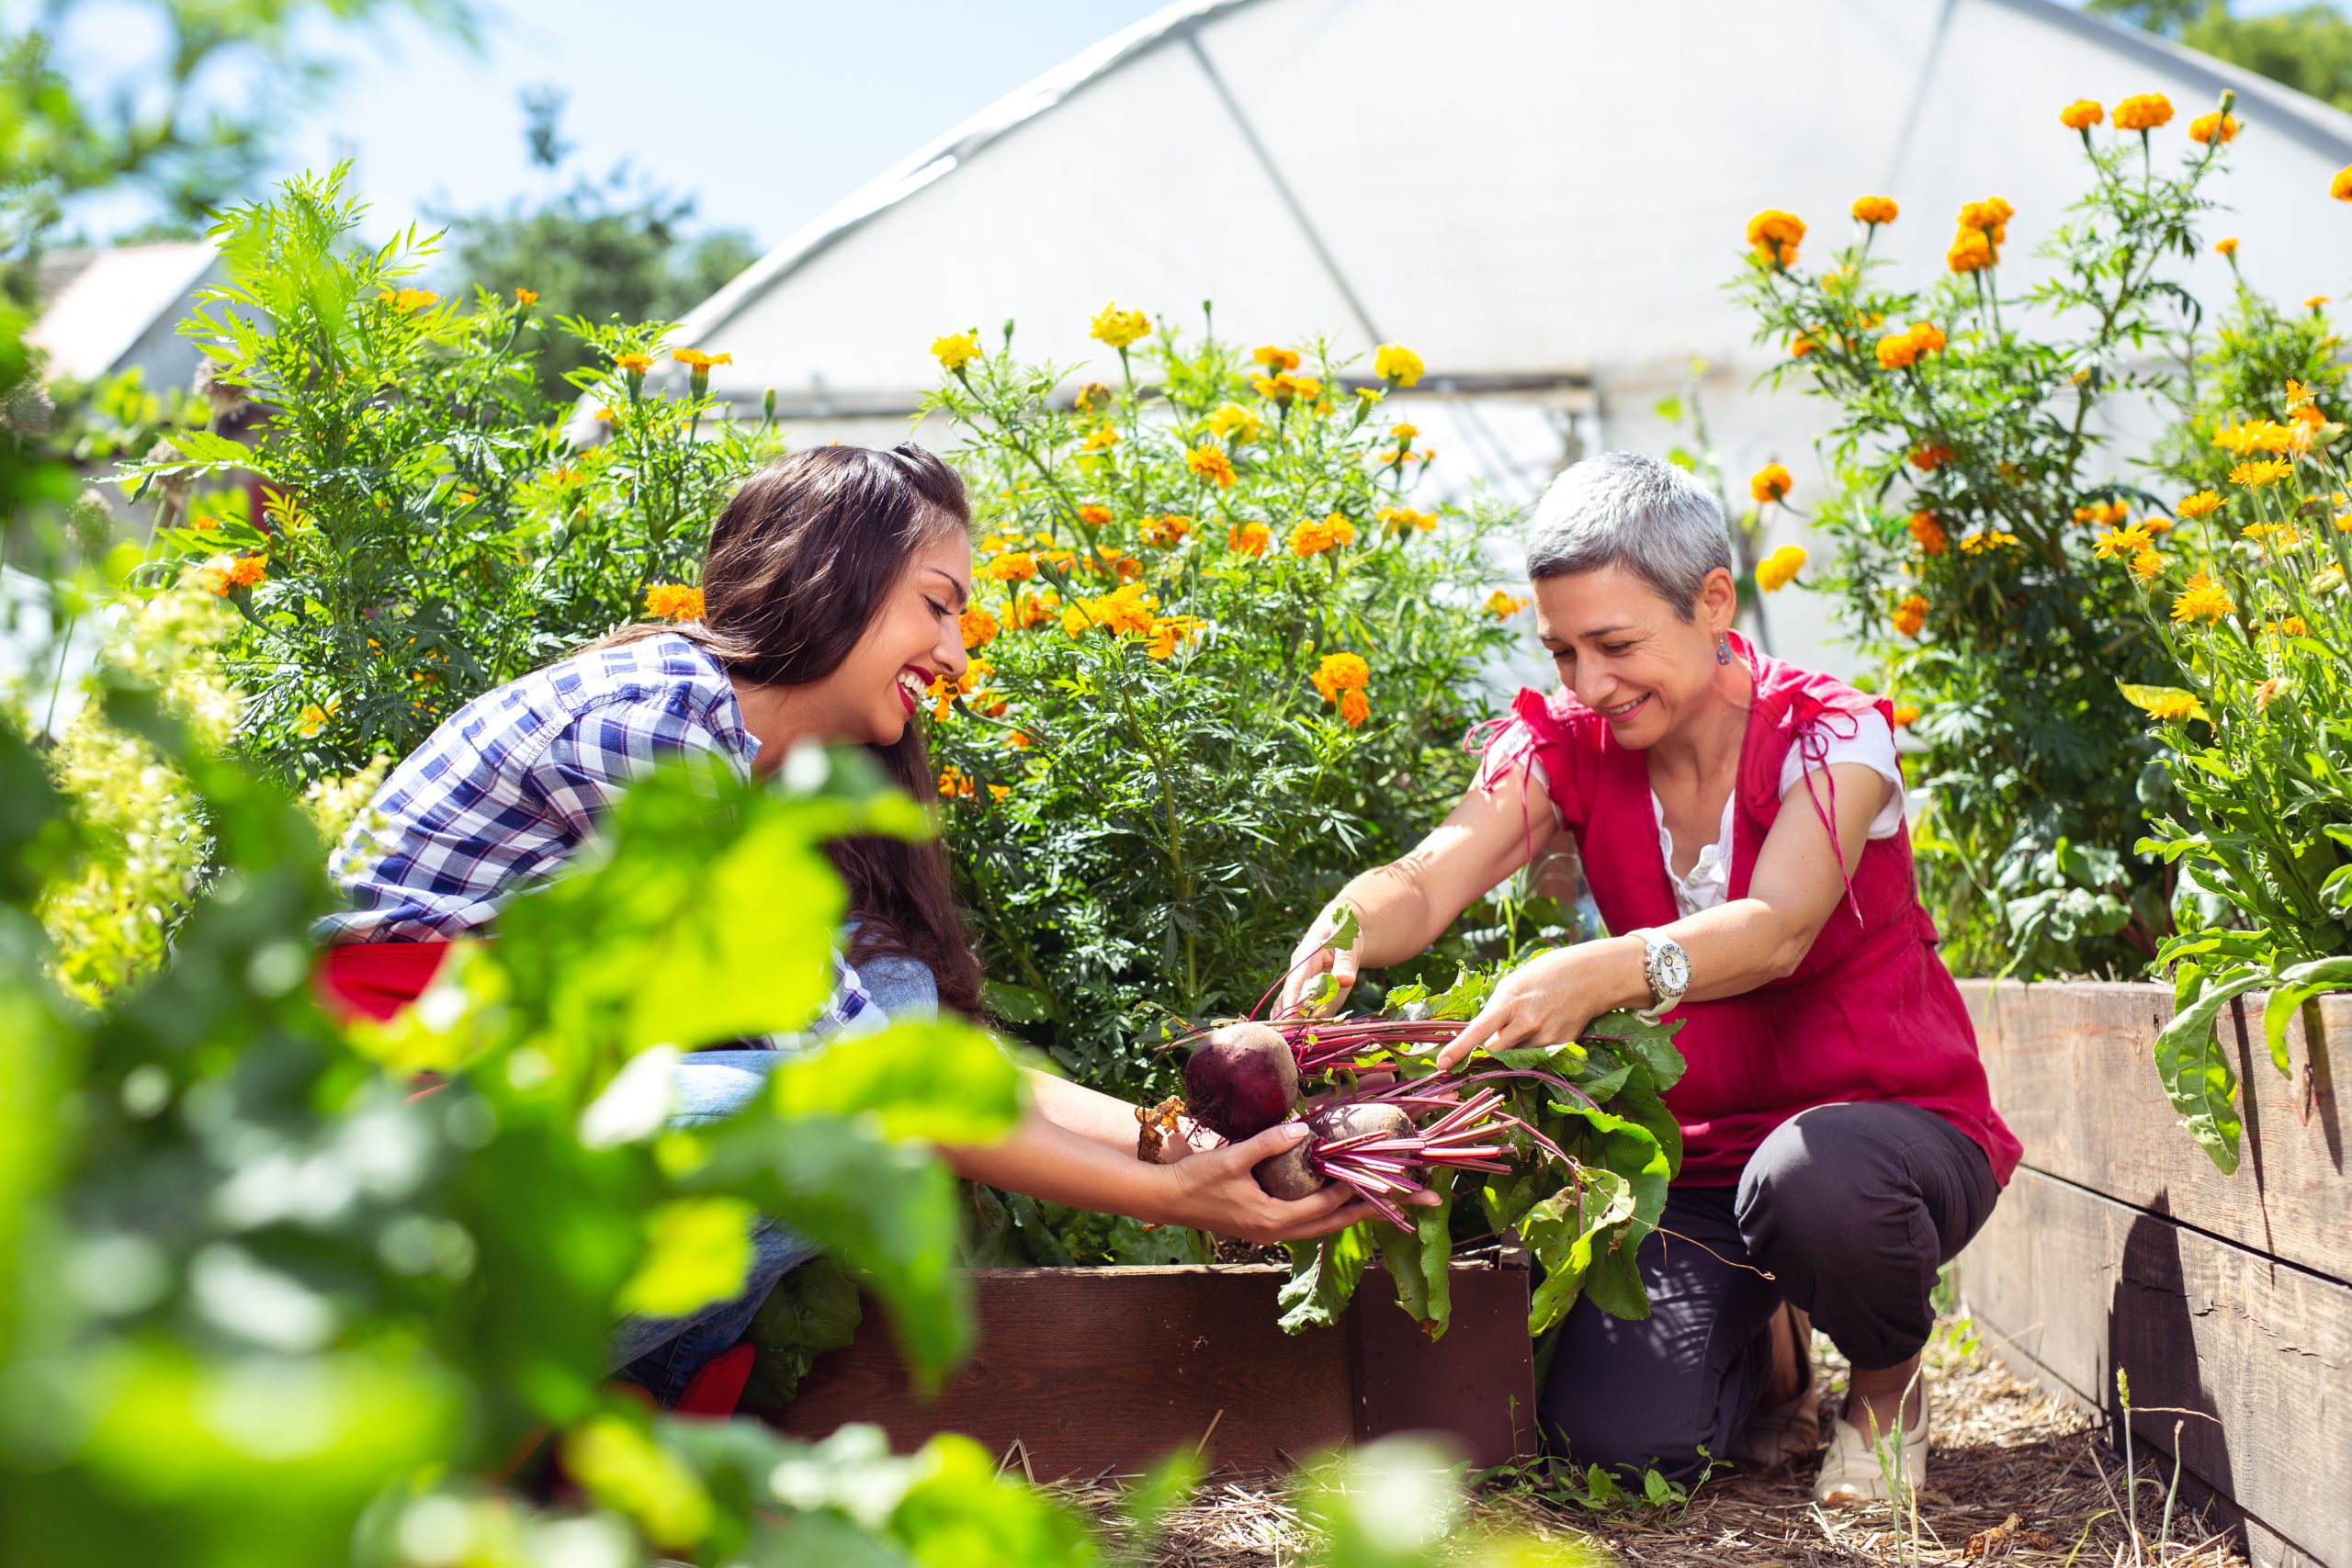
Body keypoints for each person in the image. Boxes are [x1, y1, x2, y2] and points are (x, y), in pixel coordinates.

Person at [316, 443, 1400, 1404]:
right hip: (378, 1118)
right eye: (938, 604)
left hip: (505, 1084)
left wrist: (1202, 1143)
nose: (960, 653)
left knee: (891, 1002)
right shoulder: (656, 726)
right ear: (835, 576)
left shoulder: (765, 766)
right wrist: (1171, 1200)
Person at [1280, 451, 2018, 1506]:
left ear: (1713, 601)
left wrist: (1603, 970)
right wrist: (1346, 925)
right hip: (1702, 1171)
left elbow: (1777, 931)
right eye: (1562, 650)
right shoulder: (1568, 746)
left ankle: (1888, 1387)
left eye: (1615, 645)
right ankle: (1773, 1350)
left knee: (1814, 1177)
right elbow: (1430, 875)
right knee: (1615, 1446)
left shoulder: (1831, 736)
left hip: (1885, 1139)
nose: (1587, 684)